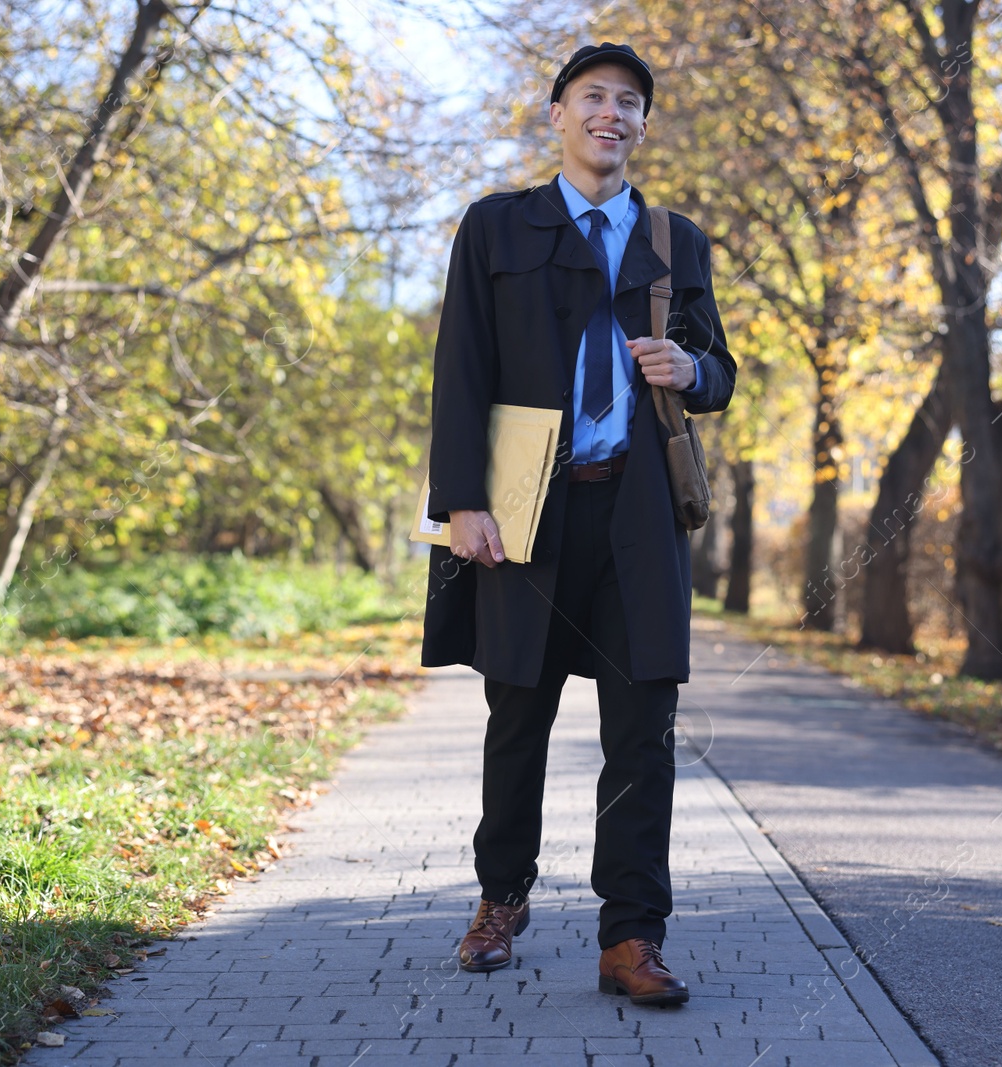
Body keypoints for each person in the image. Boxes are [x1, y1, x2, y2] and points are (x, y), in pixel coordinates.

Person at [420, 42, 735, 1007]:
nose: (612, 113)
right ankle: (499, 903)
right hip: (530, 512)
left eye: (630, 102)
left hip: (639, 516)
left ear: (644, 126)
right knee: (517, 715)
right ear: (557, 113)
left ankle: (631, 936)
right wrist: (463, 502)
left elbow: (719, 368)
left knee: (644, 733)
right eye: (593, 97)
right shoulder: (497, 226)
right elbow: (462, 366)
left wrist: (691, 371)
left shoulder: (677, 240)